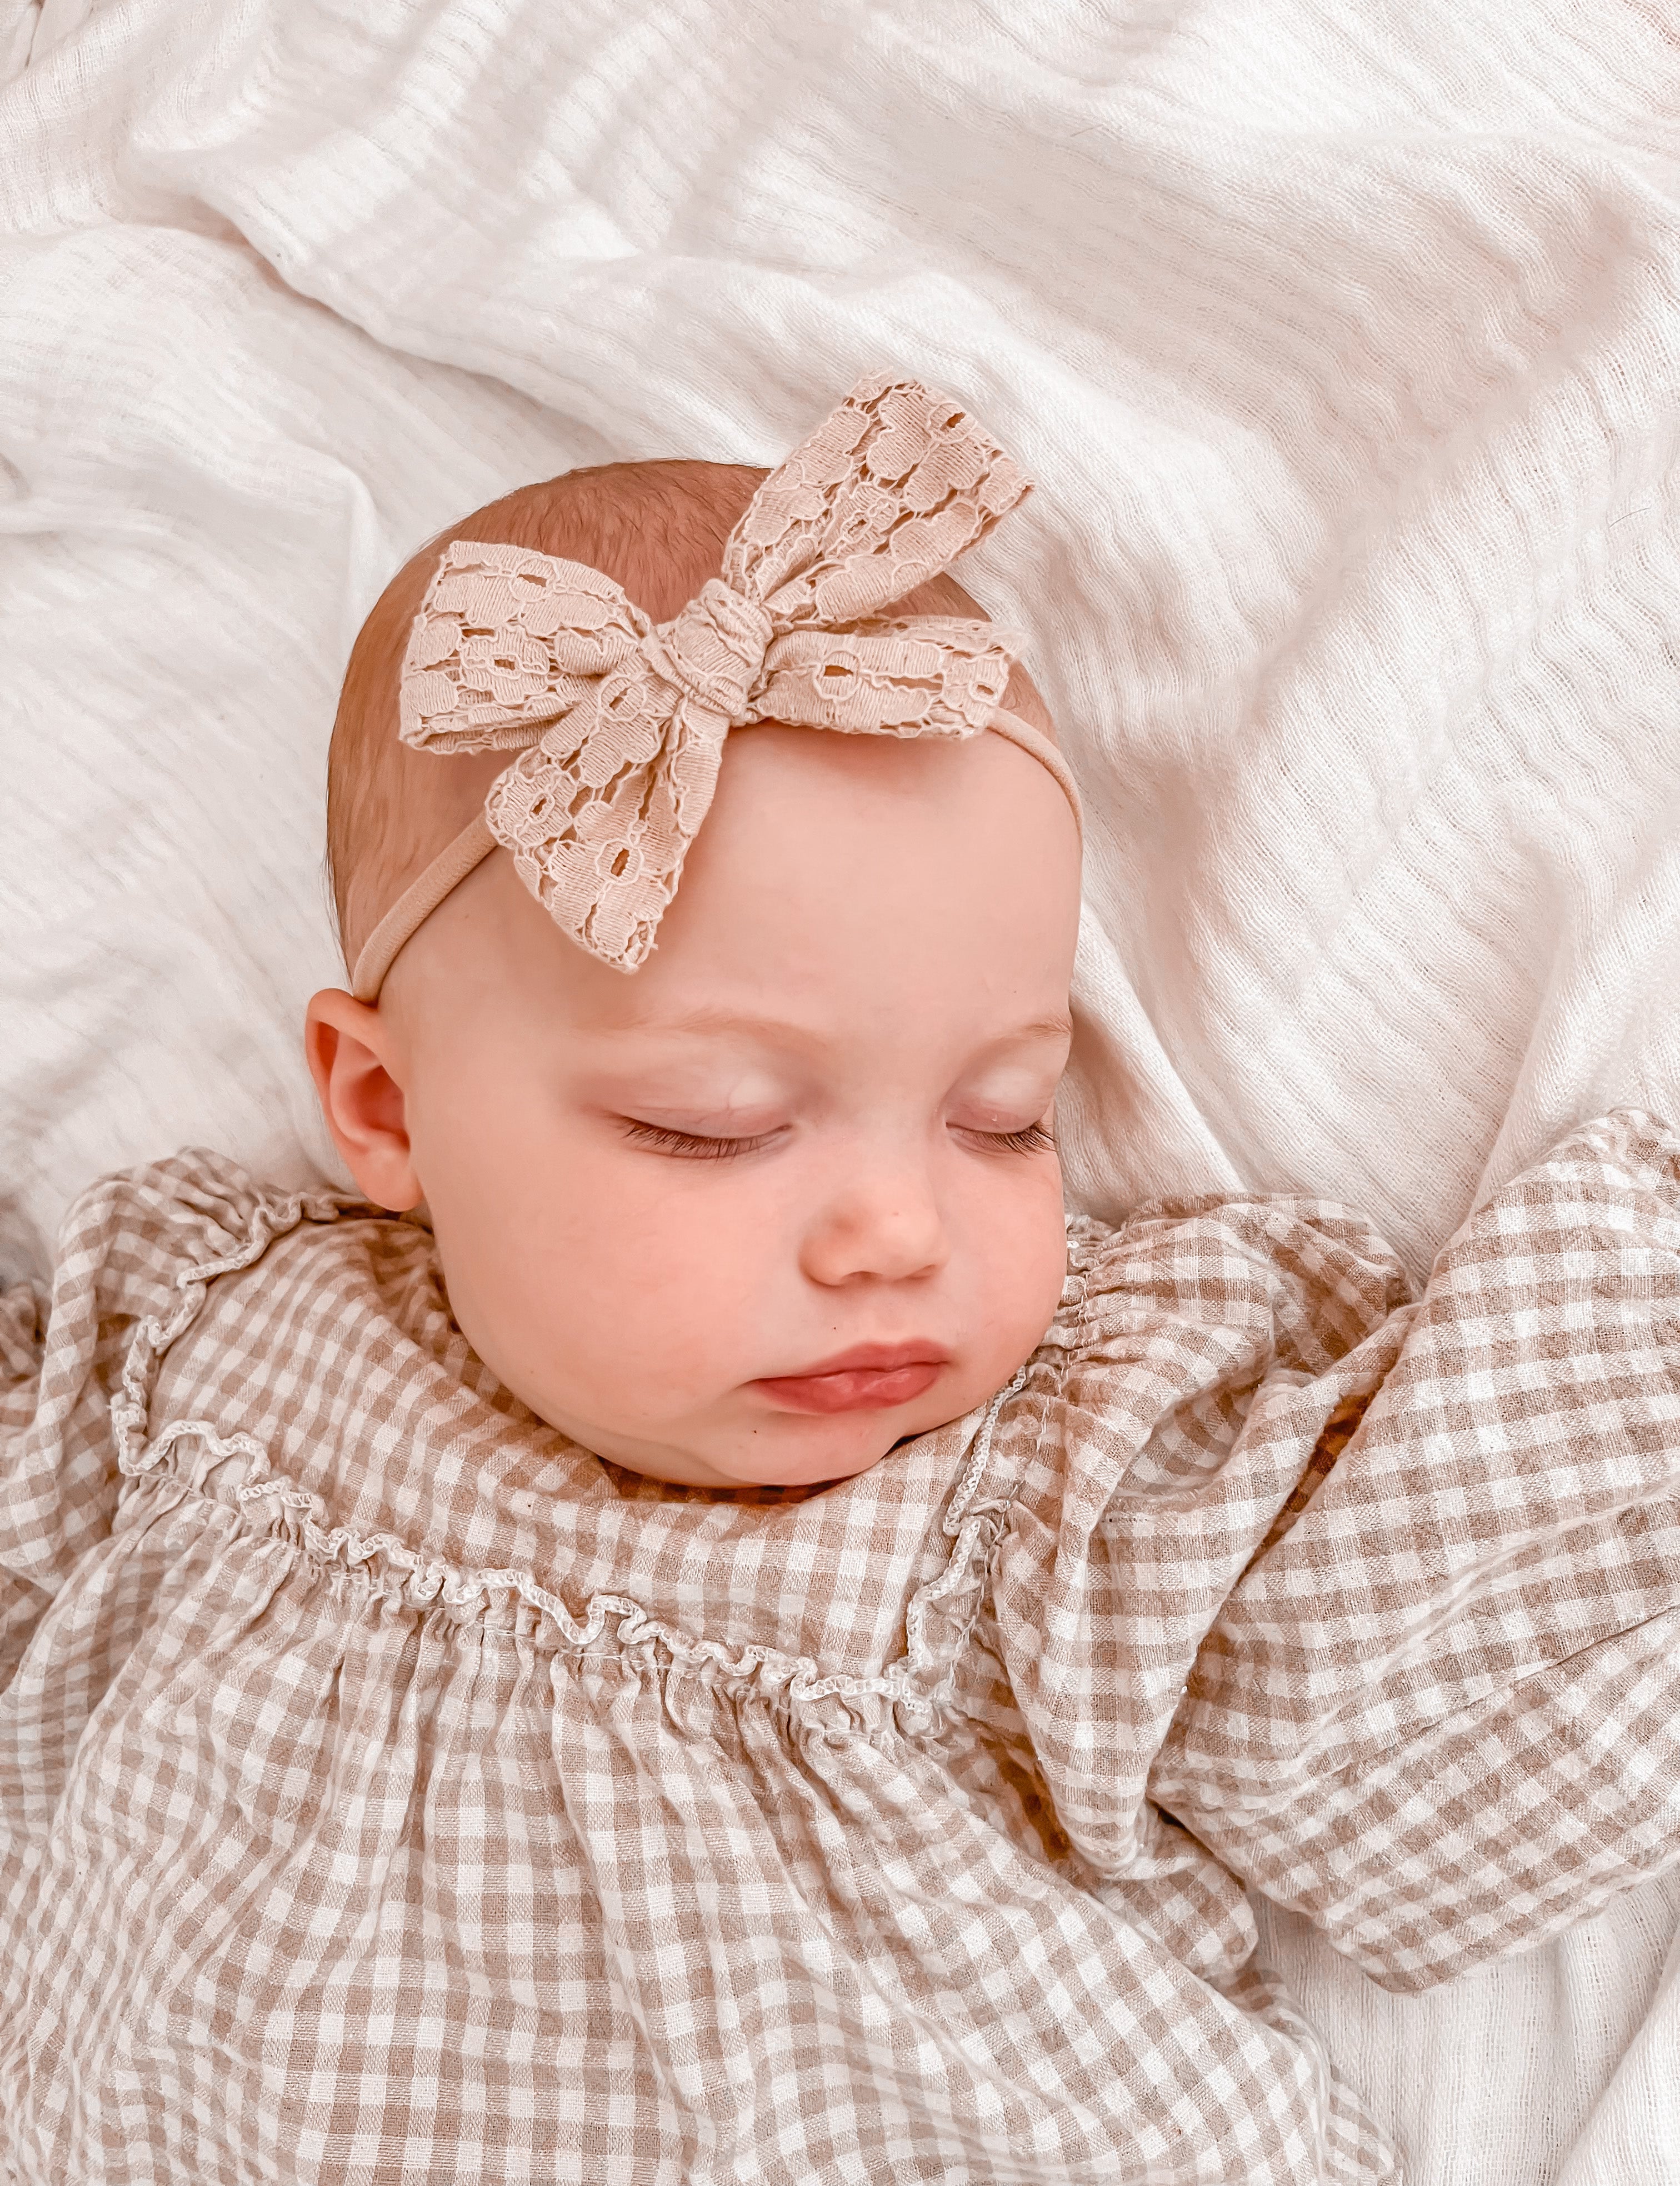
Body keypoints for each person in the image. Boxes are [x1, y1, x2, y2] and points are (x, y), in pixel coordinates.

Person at [4, 374, 1679, 2184]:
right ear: (386, 1105)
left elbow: (1397, 1653)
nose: (896, 1231)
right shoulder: (197, 1333)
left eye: (1006, 1115)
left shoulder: (1048, 1485)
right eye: (712, 1126)